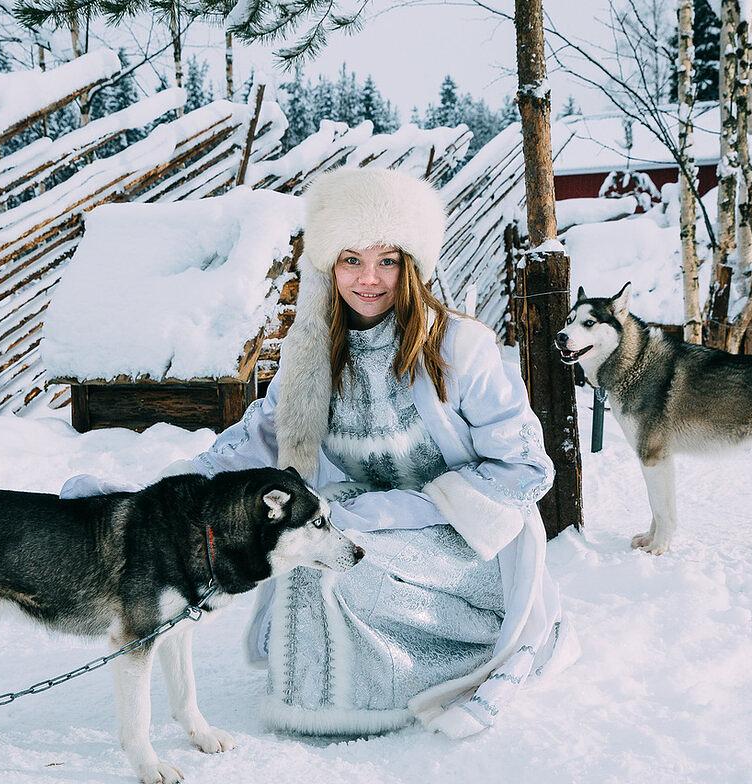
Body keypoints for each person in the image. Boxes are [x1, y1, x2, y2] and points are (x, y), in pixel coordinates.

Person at [67, 168, 578, 738]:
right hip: (359, 517)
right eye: (351, 259)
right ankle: (323, 702)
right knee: (306, 551)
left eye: (387, 261)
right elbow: (254, 442)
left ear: (412, 266)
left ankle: (400, 687)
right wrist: (149, 496)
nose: (368, 279)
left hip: (467, 540)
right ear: (328, 266)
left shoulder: (460, 348)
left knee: (340, 564)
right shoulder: (312, 353)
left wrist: (389, 513)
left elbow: (526, 470)